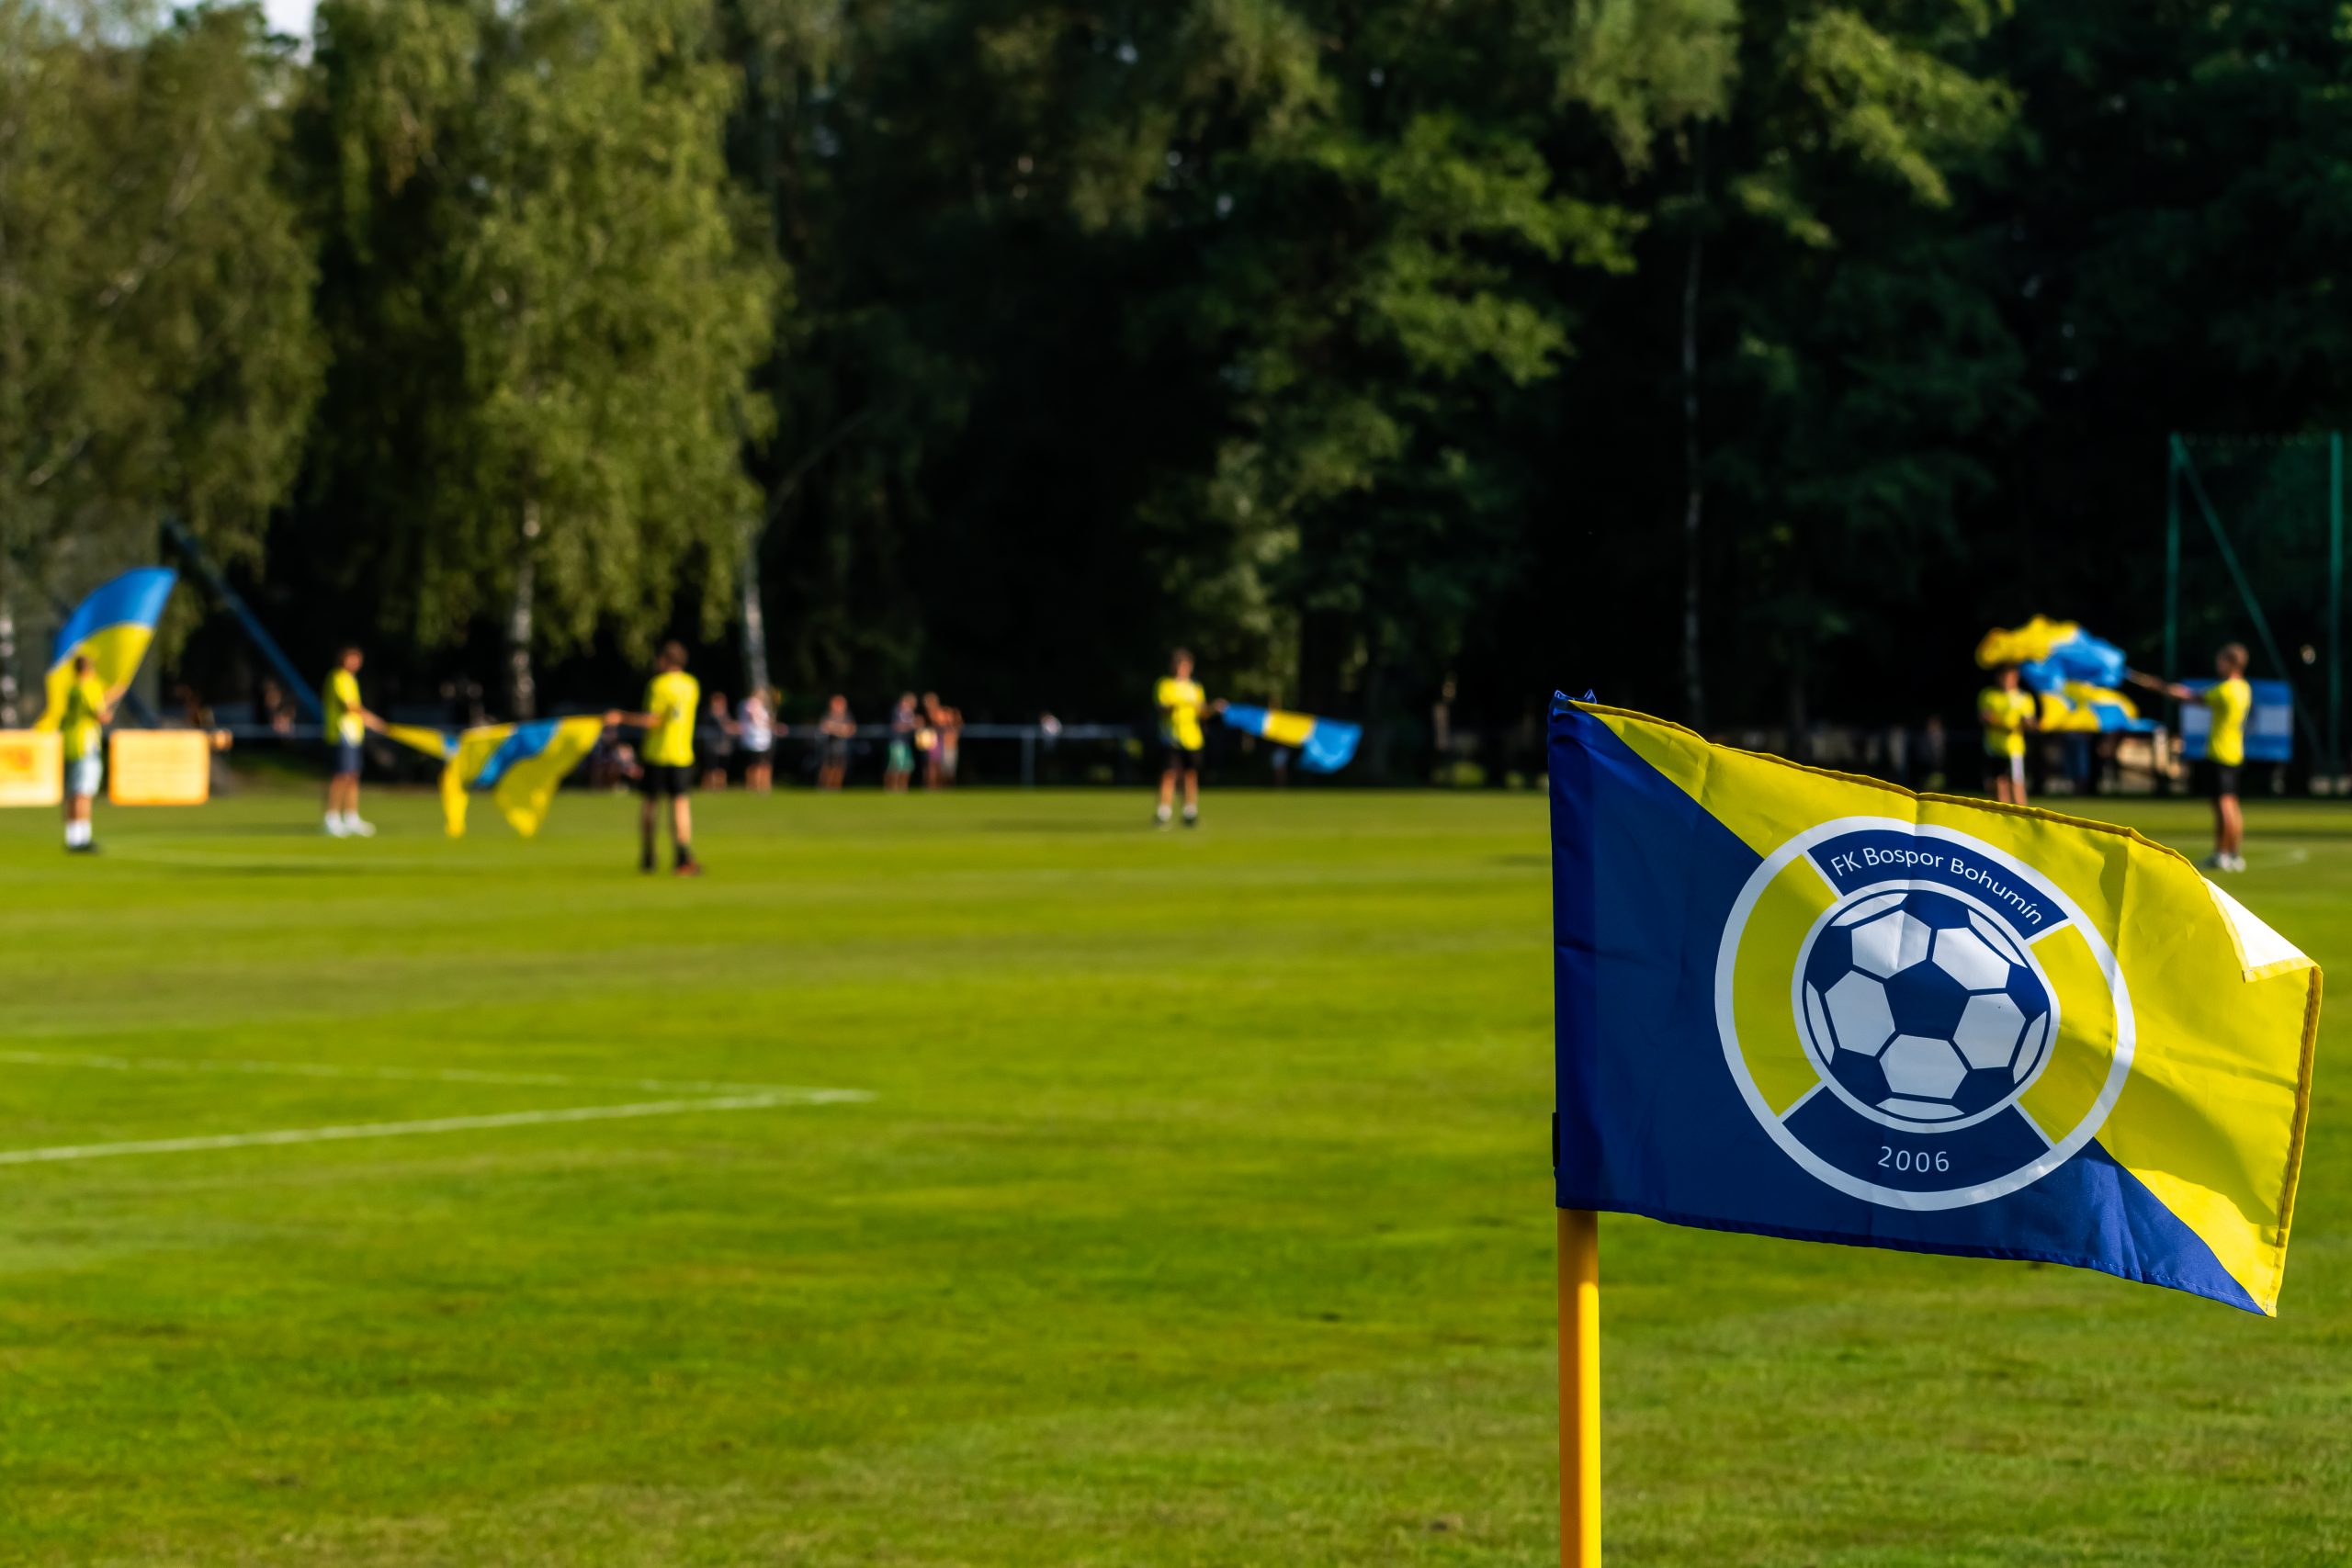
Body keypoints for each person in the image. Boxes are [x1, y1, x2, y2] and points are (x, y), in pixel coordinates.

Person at [2132, 643, 2253, 873]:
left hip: (2220, 752)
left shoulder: (2226, 690)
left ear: (2231, 663)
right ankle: (2233, 854)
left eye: (2221, 660)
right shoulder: (2244, 688)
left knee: (2224, 806)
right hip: (2236, 753)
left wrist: (2159, 686)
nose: (2218, 664)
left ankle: (2223, 854)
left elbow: (2189, 696)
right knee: (2232, 806)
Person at [605, 641, 702, 876]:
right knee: (680, 803)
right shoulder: (691, 684)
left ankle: (649, 856)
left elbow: (653, 720)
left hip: (657, 752)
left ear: (665, 660)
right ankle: (682, 857)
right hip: (682, 753)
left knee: (650, 803)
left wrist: (621, 718)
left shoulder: (659, 685)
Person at [1154, 648, 1224, 827]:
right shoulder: (1165, 685)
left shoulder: (1195, 687)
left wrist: (1213, 708)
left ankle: (1189, 811)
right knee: (1169, 775)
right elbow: (1161, 708)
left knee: (1190, 775)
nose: (1182, 669)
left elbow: (1202, 712)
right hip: (1172, 737)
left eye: (1185, 666)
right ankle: (1164, 812)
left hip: (1192, 738)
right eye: (1179, 665)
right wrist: (1173, 706)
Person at [322, 646, 385, 837]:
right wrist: (372, 720)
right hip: (341, 732)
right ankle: (331, 818)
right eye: (351, 658)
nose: (355, 662)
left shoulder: (351, 679)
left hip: (354, 734)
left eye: (357, 659)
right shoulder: (338, 677)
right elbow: (350, 707)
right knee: (341, 776)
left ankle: (351, 817)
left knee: (353, 776)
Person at [57, 654, 114, 854]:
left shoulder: (73, 688)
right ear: (89, 669)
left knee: (73, 793)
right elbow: (100, 714)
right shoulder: (88, 687)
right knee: (83, 794)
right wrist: (108, 711)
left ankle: (73, 836)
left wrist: (109, 696)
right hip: (86, 744)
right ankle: (82, 838)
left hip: (71, 743)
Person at [1976, 664, 2036, 806]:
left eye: (2010, 677)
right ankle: (2002, 813)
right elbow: (1984, 717)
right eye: (2004, 677)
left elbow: (2029, 721)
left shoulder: (2023, 697)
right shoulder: (1989, 695)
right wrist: (2005, 726)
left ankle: (2021, 813)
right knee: (1998, 782)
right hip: (1993, 747)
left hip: (2013, 748)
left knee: (2016, 782)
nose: (2007, 680)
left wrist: (2028, 724)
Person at [739, 688, 777, 794]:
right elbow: (753, 718)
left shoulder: (763, 707)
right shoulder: (749, 705)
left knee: (764, 763)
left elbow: (766, 721)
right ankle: (752, 785)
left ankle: (764, 785)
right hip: (754, 740)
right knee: (753, 764)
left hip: (764, 740)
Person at [922, 692, 963, 787]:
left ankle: (943, 787)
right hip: (935, 744)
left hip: (946, 745)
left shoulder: (943, 713)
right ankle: (933, 786)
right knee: (933, 765)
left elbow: (956, 725)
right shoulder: (929, 716)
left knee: (946, 769)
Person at [696, 692, 734, 793]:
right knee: (710, 766)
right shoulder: (709, 714)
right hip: (712, 745)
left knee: (722, 767)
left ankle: (720, 786)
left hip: (723, 745)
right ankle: (708, 785)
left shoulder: (725, 713)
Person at [818, 694, 855, 790]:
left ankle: (836, 787)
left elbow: (851, 730)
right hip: (829, 747)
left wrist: (836, 729)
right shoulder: (828, 715)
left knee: (840, 767)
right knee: (827, 766)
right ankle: (824, 786)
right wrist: (841, 730)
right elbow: (825, 728)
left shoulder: (847, 716)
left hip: (842, 747)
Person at [885, 693, 919, 793]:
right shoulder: (897, 711)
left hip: (906, 743)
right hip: (897, 742)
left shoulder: (910, 713)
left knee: (907, 766)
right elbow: (897, 726)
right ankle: (891, 787)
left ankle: (903, 787)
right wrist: (911, 726)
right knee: (895, 765)